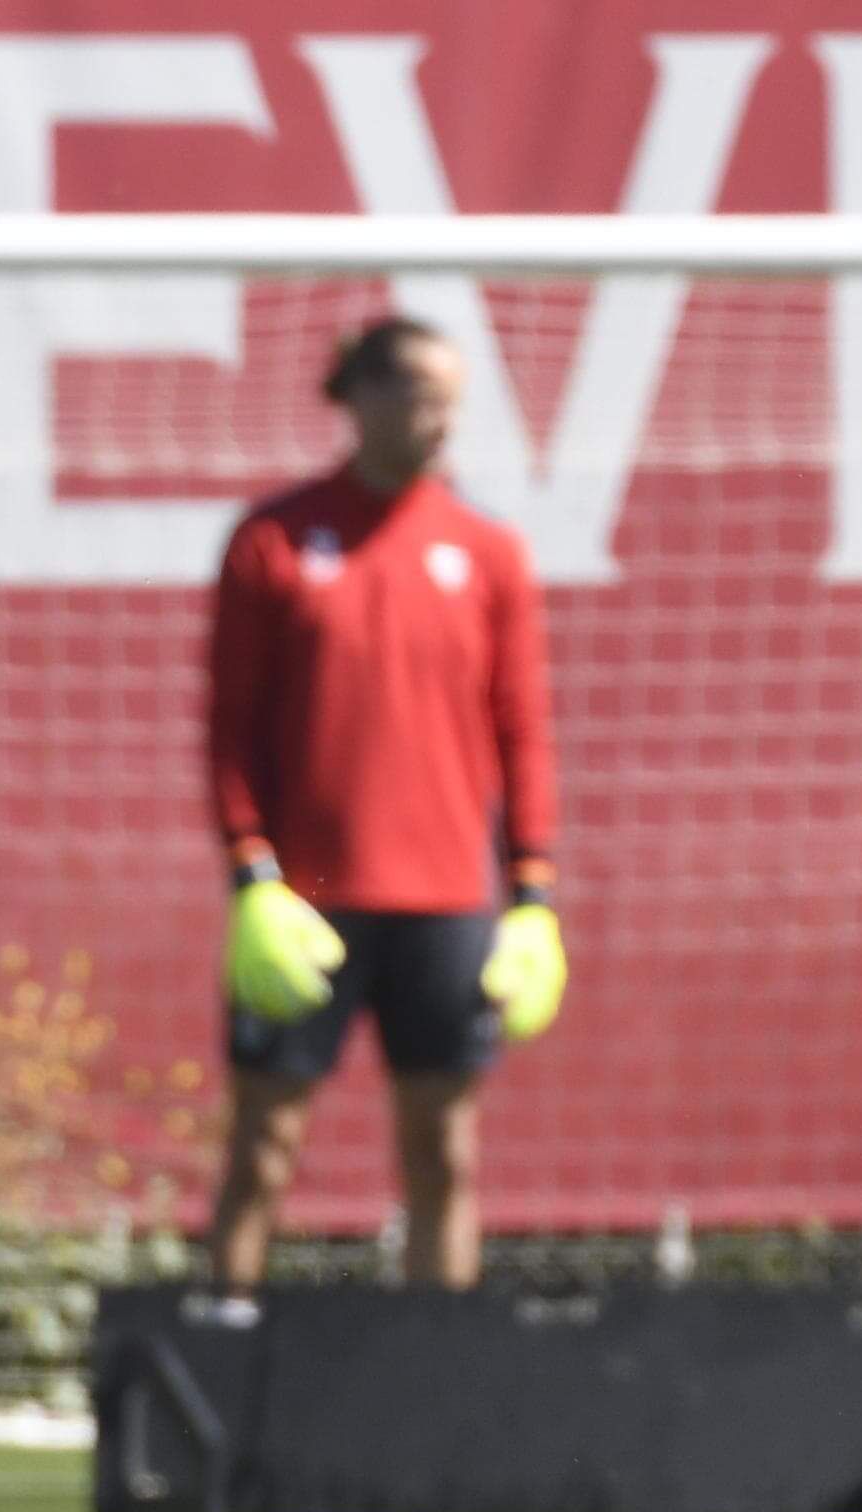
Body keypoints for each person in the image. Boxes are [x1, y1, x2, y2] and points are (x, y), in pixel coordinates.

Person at [199, 315, 566, 1315]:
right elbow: (230, 728)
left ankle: (437, 1371)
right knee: (264, 1143)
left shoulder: (487, 550)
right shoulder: (274, 539)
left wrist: (531, 894)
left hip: (445, 901)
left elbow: (523, 731)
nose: (440, 418)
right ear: (359, 397)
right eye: (420, 394)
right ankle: (222, 1345)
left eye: (452, 399)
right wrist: (252, 875)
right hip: (306, 901)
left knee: (444, 1149)